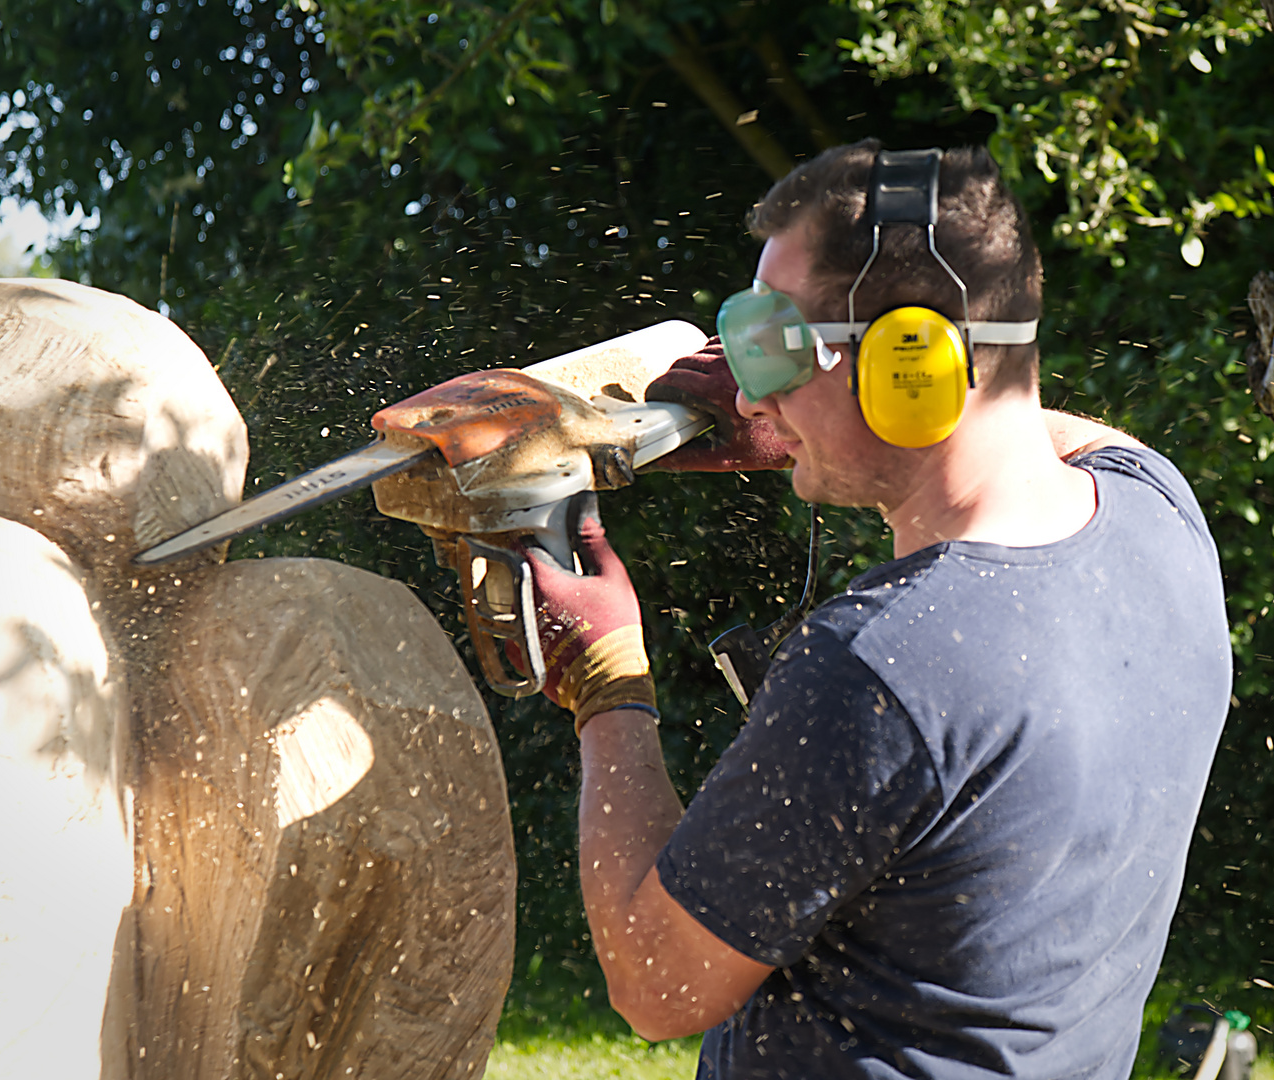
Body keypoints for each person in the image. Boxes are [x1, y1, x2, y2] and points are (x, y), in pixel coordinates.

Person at [516, 139, 1232, 1079]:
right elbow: (1050, 426)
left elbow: (655, 985)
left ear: (915, 366)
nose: (750, 386)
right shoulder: (1158, 513)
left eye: (778, 349)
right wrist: (790, 415)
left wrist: (607, 680)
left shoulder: (883, 666)